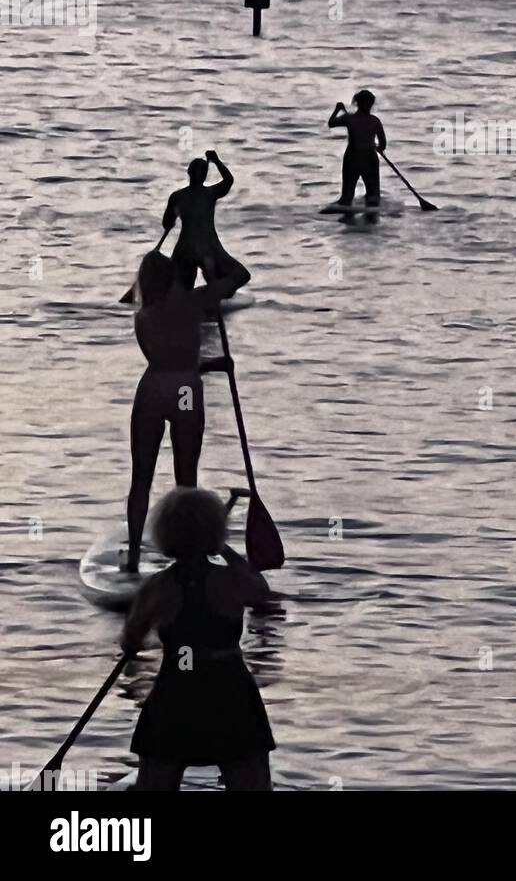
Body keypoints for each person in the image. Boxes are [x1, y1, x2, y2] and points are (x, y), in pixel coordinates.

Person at [122, 487, 275, 791]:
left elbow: (130, 643)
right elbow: (261, 590)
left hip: (176, 691)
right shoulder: (231, 580)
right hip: (231, 693)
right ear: (216, 531)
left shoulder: (156, 588)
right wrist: (222, 548)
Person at [125, 252, 237, 573]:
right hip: (185, 392)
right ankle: (192, 552)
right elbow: (240, 278)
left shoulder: (142, 315)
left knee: (141, 478)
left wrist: (212, 364)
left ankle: (133, 554)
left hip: (152, 391)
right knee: (186, 479)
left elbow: (168, 358)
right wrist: (213, 267)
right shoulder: (193, 303)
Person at [163, 150, 250, 294]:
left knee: (180, 289)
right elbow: (229, 180)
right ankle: (209, 293)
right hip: (208, 248)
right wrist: (216, 160)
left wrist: (171, 220)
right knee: (242, 275)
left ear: (189, 173)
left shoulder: (177, 196)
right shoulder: (210, 194)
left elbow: (167, 223)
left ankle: (201, 295)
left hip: (186, 249)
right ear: (204, 176)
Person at [328, 90, 387, 207]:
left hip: (356, 158)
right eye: (369, 104)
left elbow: (331, 122)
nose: (369, 106)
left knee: (349, 198)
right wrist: (378, 147)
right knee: (372, 197)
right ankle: (370, 218)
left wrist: (337, 109)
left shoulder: (349, 118)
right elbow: (383, 145)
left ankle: (352, 217)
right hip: (363, 158)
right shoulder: (374, 121)